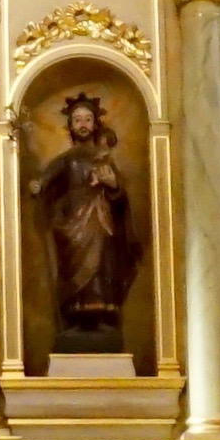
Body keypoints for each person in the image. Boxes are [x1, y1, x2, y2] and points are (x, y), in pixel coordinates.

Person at [30, 89, 143, 356]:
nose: (82, 124)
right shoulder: (67, 160)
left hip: (101, 221)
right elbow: (47, 178)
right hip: (73, 224)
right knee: (73, 268)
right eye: (77, 119)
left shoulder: (104, 159)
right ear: (70, 125)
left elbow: (119, 196)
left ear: (95, 124)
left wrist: (112, 185)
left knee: (102, 263)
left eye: (87, 119)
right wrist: (38, 185)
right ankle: (77, 316)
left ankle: (101, 316)